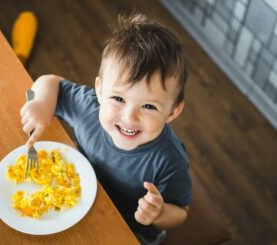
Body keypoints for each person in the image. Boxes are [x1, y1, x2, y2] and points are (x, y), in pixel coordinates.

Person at [20, 13, 192, 245]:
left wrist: (159, 214)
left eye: (149, 106)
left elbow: (181, 212)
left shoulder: (169, 160)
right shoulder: (90, 108)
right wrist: (41, 103)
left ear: (172, 112)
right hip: (77, 199)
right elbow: (51, 82)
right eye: (118, 99)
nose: (129, 117)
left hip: (131, 230)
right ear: (99, 90)